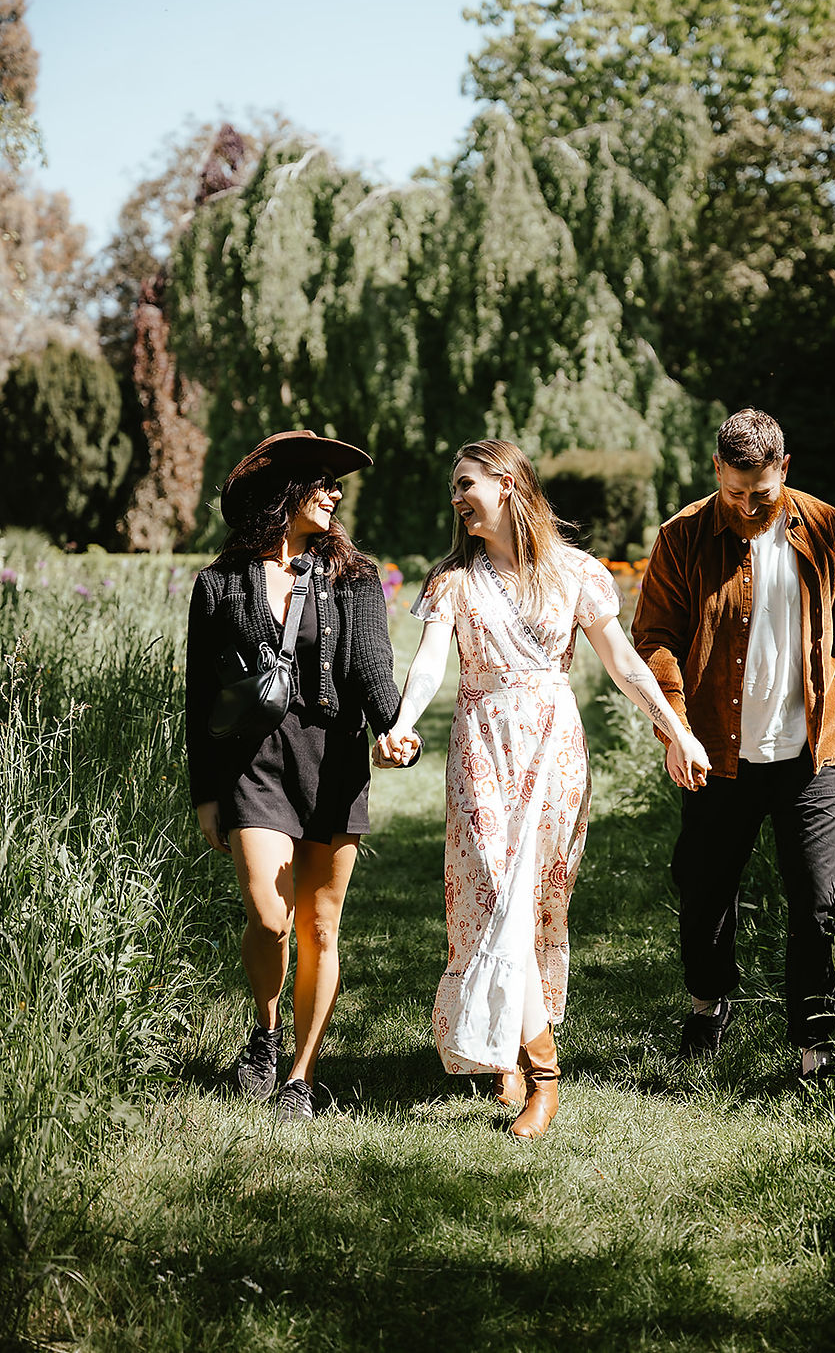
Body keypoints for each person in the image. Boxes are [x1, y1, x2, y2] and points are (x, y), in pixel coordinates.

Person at [375, 439, 710, 1139]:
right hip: (481, 751)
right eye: (453, 488)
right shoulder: (453, 581)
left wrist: (677, 731)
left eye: (466, 483)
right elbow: (431, 663)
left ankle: (511, 1049)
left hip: (553, 752)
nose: (457, 497)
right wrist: (404, 724)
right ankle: (545, 1075)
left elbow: (622, 662)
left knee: (536, 903)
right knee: (493, 892)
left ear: (507, 483)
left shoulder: (578, 574)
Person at [630, 407, 835, 1082]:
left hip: (813, 754)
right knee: (705, 892)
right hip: (717, 753)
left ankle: (815, 1045)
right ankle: (709, 1003)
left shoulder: (826, 528)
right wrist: (675, 729)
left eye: (763, 493)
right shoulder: (682, 537)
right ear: (716, 469)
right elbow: (654, 638)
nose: (748, 506)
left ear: (785, 470)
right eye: (735, 491)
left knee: (819, 900)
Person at [185, 430, 419, 1122]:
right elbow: (200, 698)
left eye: (336, 485)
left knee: (320, 927)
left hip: (334, 762)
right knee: (268, 915)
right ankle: (264, 1029)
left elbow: (374, 666)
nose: (336, 493)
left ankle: (300, 1075)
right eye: (322, 482)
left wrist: (394, 728)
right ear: (282, 492)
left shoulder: (352, 577)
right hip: (254, 766)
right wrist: (205, 792)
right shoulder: (219, 584)